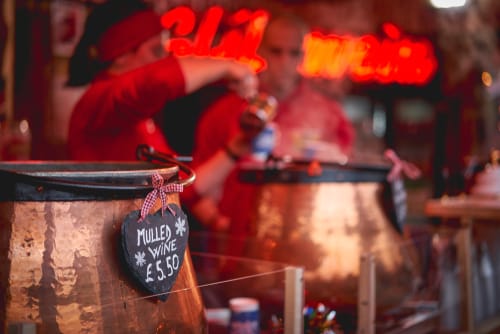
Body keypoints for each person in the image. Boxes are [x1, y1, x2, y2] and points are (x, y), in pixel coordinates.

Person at [66, 0, 263, 216]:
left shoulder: (138, 121)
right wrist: (228, 66)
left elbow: (180, 187)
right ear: (122, 55)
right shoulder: (99, 100)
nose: (162, 60)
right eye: (155, 51)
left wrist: (235, 149)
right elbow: (160, 80)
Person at [189, 12, 356, 233]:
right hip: (238, 240)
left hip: (306, 235)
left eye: (293, 53)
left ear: (304, 56)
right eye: (276, 51)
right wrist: (218, 224)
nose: (284, 61)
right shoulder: (225, 112)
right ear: (261, 51)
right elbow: (193, 187)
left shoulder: (328, 114)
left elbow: (348, 183)